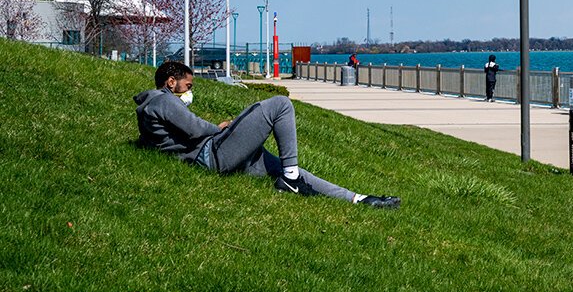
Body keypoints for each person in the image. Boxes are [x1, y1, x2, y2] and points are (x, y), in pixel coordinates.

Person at [134, 60, 399, 208]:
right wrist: (220, 129)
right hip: (214, 154)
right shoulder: (162, 100)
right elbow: (194, 128)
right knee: (280, 105)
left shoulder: (153, 107)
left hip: (215, 153)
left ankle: (359, 199)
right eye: (187, 85)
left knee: (286, 168)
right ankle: (291, 181)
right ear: (171, 82)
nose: (189, 91)